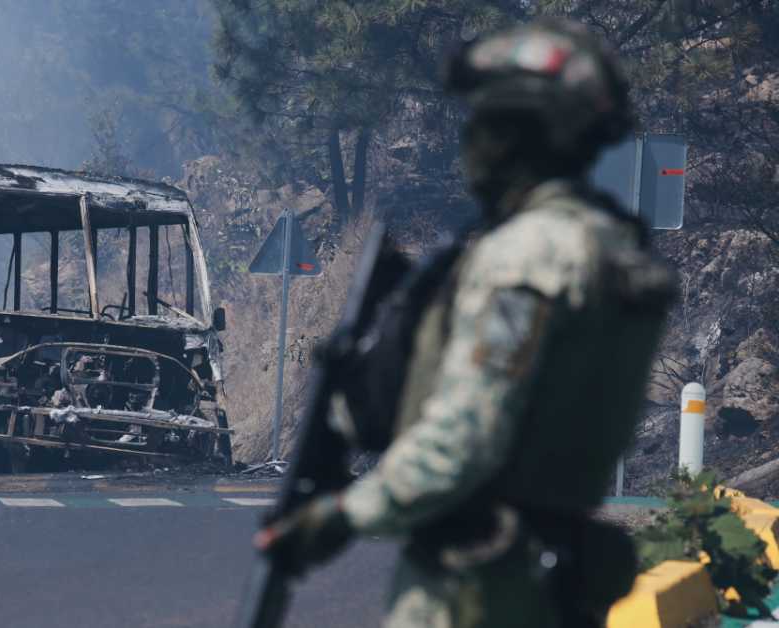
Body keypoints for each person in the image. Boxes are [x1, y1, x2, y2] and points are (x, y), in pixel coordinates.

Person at [256, 18, 677, 628]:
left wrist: (343, 514)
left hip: (478, 589)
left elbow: (468, 436)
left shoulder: (528, 256)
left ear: (519, 134)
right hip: (556, 583)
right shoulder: (614, 249)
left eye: (485, 125)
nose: (471, 144)